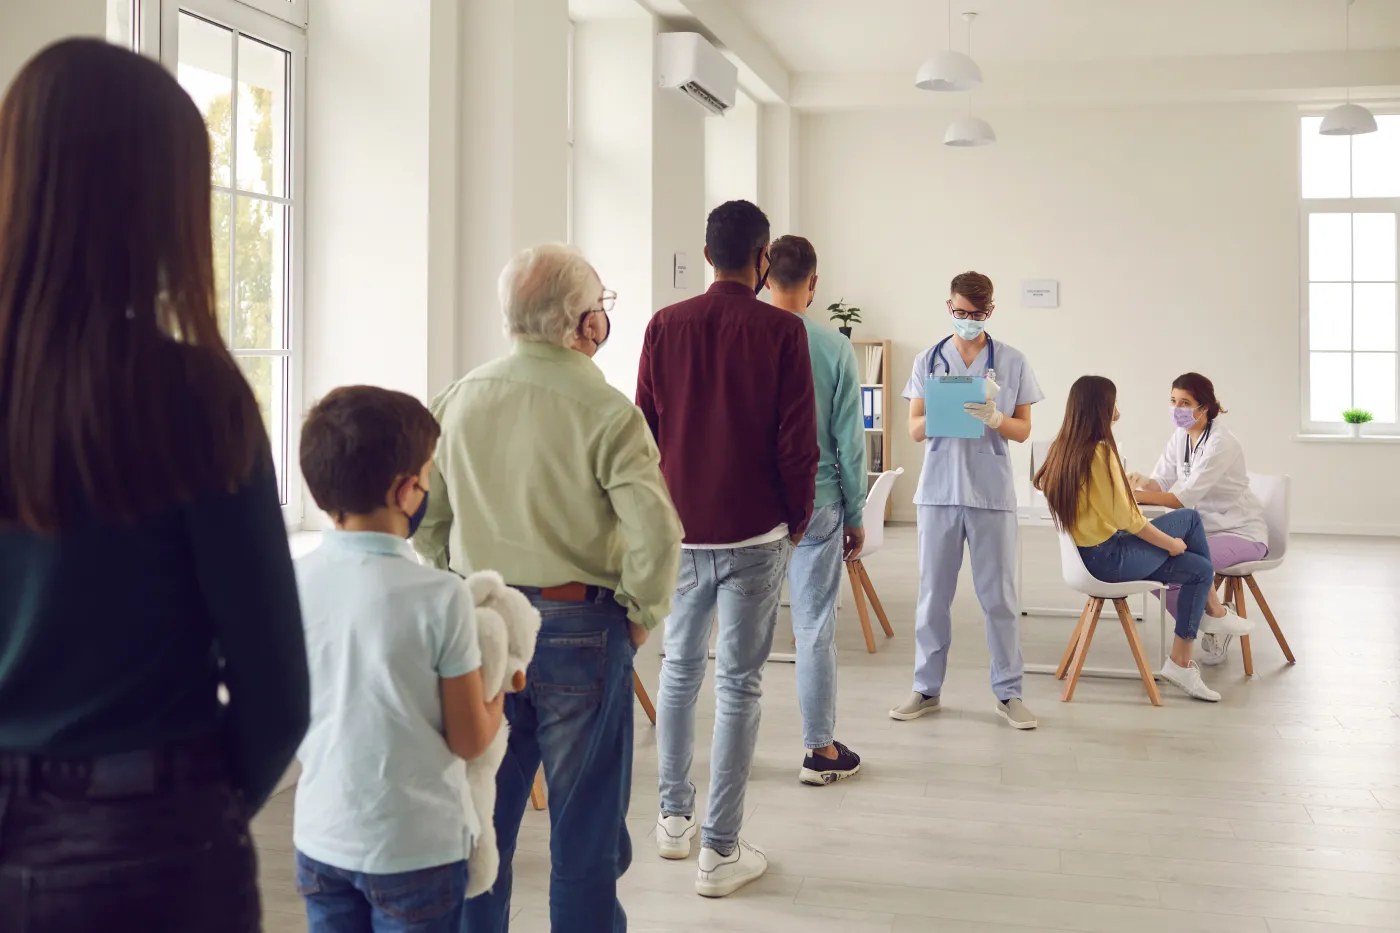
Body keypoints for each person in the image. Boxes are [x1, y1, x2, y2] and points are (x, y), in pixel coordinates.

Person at [0, 40, 309, 932]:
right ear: (157, 205)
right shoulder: (194, 398)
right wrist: (189, 816)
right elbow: (277, 694)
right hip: (151, 837)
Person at [416, 244, 683, 931]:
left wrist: (463, 589)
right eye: (602, 306)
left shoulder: (458, 399)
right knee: (585, 838)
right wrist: (639, 612)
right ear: (582, 324)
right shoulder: (608, 411)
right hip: (580, 628)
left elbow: (429, 523)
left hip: (483, 629)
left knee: (484, 832)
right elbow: (656, 534)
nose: (604, 319)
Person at [639, 200, 818, 897]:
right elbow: (796, 439)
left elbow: (645, 432)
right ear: (763, 255)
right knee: (740, 683)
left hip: (680, 530)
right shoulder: (782, 330)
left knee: (679, 671)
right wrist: (797, 517)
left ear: (707, 253)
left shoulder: (663, 325)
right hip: (755, 531)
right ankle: (719, 849)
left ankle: (673, 818)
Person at [292, 387, 505, 933]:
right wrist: (502, 679)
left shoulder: (291, 583)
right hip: (418, 848)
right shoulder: (441, 596)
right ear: (406, 490)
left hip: (321, 838)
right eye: (429, 474)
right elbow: (469, 739)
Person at [889, 272, 1042, 730]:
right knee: (933, 596)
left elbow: (1023, 428)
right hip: (939, 492)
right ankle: (925, 688)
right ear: (949, 307)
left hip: (991, 494)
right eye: (960, 313)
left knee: (998, 597)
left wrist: (995, 416)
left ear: (990, 311)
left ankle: (1009, 694)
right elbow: (914, 429)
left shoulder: (1012, 361)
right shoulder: (927, 360)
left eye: (977, 315)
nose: (968, 321)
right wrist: (943, 413)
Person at [1034, 376, 1244, 702]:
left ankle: (1192, 646)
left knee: (1199, 566)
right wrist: (1171, 544)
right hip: (1108, 560)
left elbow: (1112, 511)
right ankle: (1205, 626)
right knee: (1192, 533)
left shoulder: (1064, 448)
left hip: (1089, 556)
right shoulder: (1101, 452)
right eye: (1113, 403)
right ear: (1102, 408)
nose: (1118, 410)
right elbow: (1129, 520)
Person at [765, 235, 867, 786]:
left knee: (742, 638)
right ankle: (818, 749)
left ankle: (733, 753)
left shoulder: (745, 336)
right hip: (819, 504)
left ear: (764, 274)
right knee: (813, 629)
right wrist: (856, 512)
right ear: (813, 282)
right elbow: (851, 441)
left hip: (751, 509)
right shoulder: (833, 346)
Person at [1128, 373, 1264, 666]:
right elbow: (1161, 484)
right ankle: (1216, 617)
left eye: (1185, 403)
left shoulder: (1220, 443)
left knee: (1180, 566)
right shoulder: (1181, 436)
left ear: (1204, 407)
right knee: (1149, 566)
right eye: (1173, 401)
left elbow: (1181, 499)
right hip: (1201, 531)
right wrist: (1138, 482)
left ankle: (1211, 621)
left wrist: (1130, 498)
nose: (1177, 408)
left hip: (1239, 531)